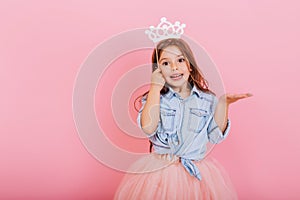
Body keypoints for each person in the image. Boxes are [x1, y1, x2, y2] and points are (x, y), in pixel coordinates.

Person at [114, 23, 252, 200]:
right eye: (165, 63)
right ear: (158, 70)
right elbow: (148, 128)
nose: (174, 67)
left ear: (190, 65)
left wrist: (223, 105)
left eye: (180, 60)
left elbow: (215, 136)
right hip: (160, 171)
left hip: (196, 169)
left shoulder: (206, 100)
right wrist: (155, 88)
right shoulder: (155, 98)